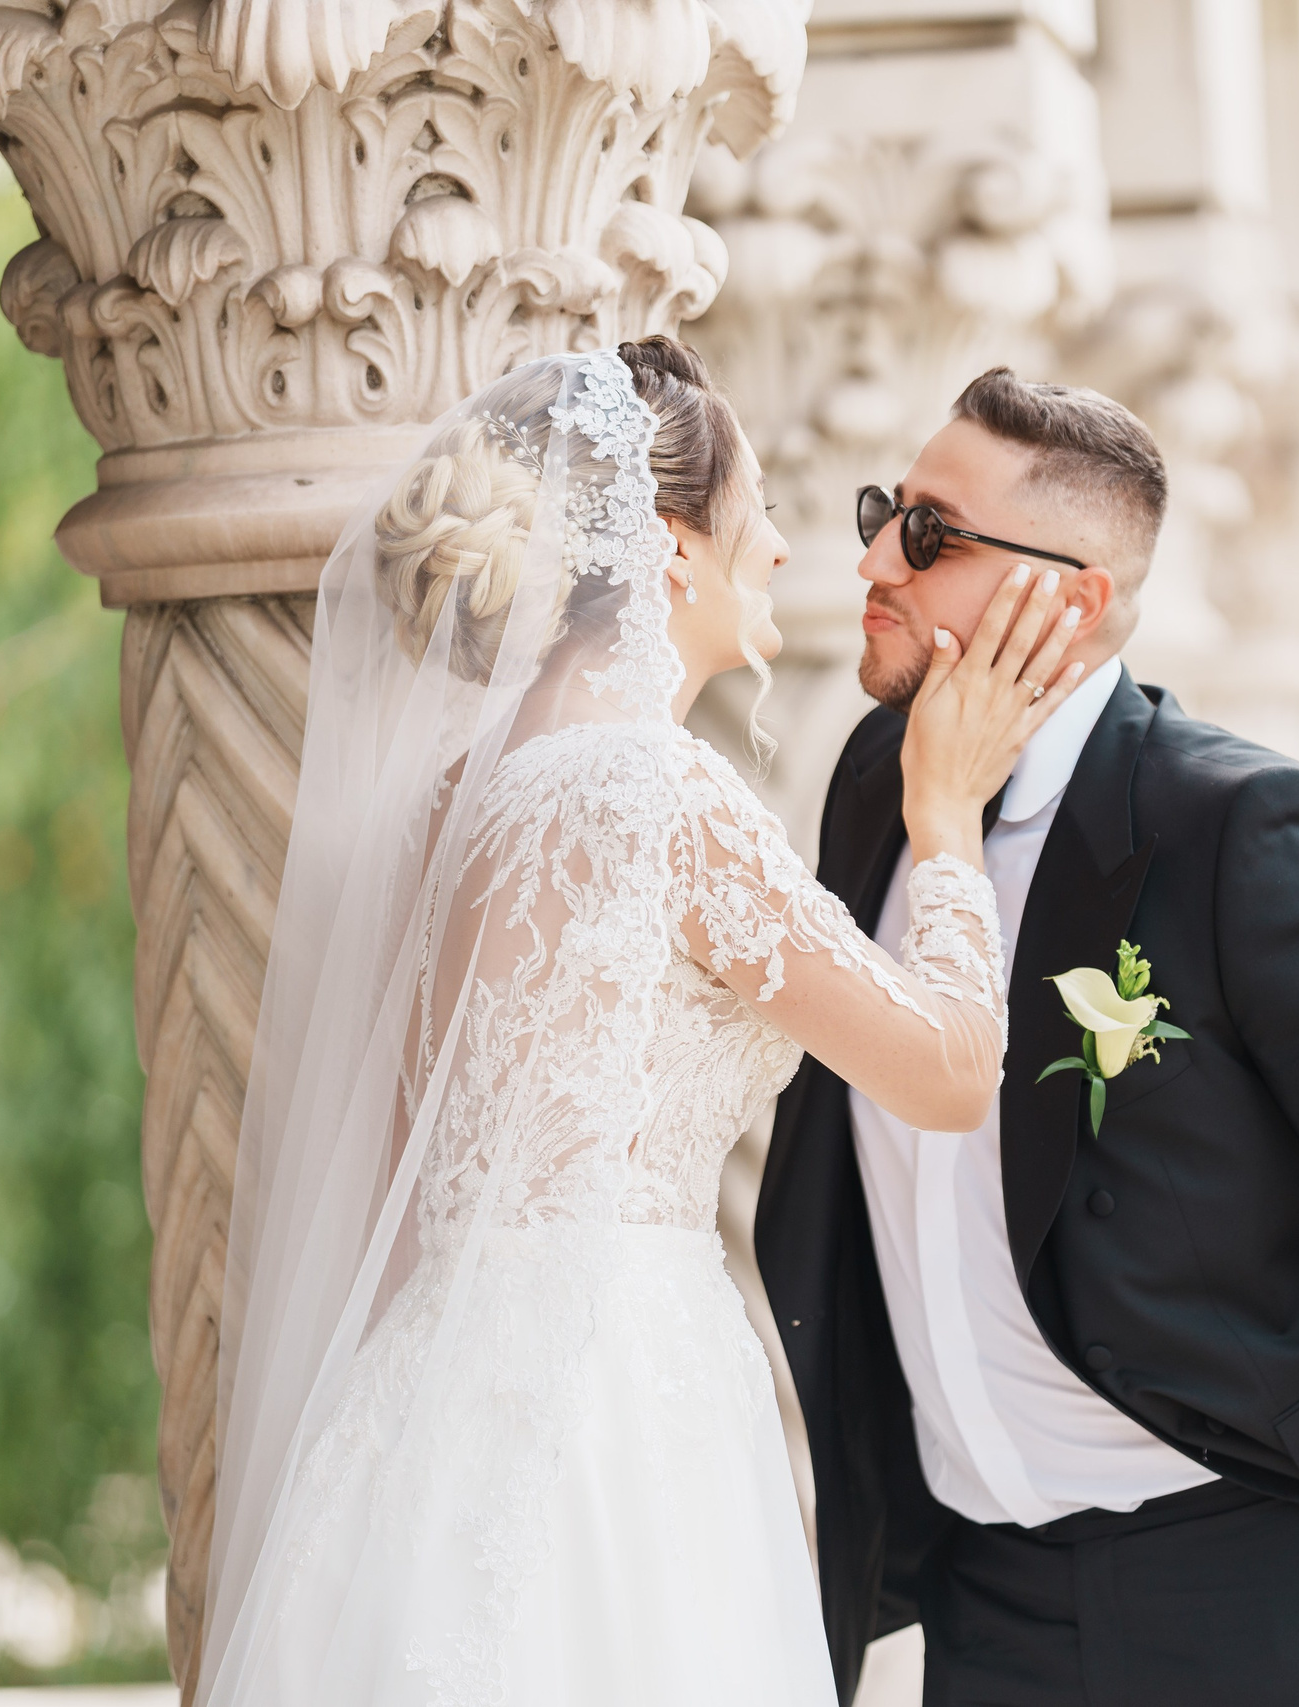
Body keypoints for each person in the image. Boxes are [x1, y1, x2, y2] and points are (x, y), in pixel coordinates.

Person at [191, 342, 1087, 1707]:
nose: (787, 550)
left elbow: (393, 1169)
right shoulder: (660, 795)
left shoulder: (450, 804)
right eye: (761, 513)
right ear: (673, 549)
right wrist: (947, 818)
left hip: (425, 1399)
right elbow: (955, 1072)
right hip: (614, 1400)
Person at [757, 369, 1299, 1707]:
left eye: (929, 532)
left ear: (1072, 597)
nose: (874, 558)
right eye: (885, 514)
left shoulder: (1241, 829)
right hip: (986, 1607)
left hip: (1267, 1593)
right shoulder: (881, 792)